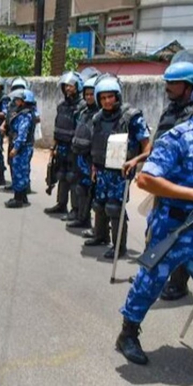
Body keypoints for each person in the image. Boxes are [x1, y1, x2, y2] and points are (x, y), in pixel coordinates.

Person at [116, 116, 193, 365]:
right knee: (151, 281)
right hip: (173, 225)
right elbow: (146, 180)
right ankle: (128, 334)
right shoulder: (178, 138)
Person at [84, 75, 151, 259]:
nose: (106, 101)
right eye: (103, 98)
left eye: (110, 97)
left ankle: (119, 246)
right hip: (101, 170)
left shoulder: (131, 117)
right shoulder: (98, 118)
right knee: (99, 205)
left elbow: (147, 147)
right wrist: (94, 167)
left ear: (117, 96)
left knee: (115, 208)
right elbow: (96, 144)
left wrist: (136, 162)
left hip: (121, 171)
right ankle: (100, 236)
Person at [154, 61, 193, 301]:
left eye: (173, 83)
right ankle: (165, 277)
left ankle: (179, 284)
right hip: (165, 183)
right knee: (162, 233)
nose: (168, 87)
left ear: (188, 87)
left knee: (182, 236)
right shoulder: (171, 111)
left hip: (186, 185)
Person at [45, 72, 85, 221]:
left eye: (71, 86)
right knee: (61, 175)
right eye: (66, 86)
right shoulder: (62, 106)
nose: (68, 88)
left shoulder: (81, 106)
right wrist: (53, 147)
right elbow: (57, 126)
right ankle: (61, 204)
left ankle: (75, 210)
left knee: (73, 177)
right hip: (61, 145)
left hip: (73, 148)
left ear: (77, 87)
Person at [68, 76, 101, 229]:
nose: (89, 97)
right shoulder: (83, 112)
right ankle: (82, 218)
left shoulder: (100, 115)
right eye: (87, 94)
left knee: (93, 193)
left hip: (92, 158)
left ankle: (97, 227)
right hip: (79, 155)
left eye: (92, 94)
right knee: (80, 188)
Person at [4, 90, 35, 208]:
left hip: (22, 148)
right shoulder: (22, 113)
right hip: (23, 147)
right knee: (22, 171)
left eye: (18, 100)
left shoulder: (25, 116)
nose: (15, 102)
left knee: (19, 172)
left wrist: (15, 148)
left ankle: (18, 199)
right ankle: (23, 197)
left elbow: (22, 135)